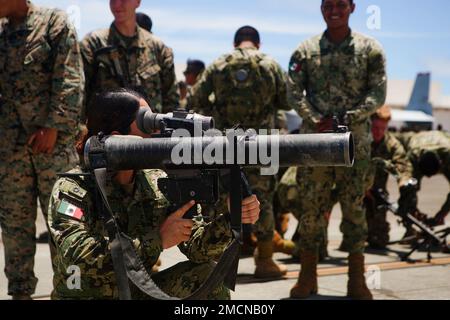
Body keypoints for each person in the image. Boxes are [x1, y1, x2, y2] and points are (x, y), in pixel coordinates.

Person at [48, 89, 260, 300]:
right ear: (118, 138)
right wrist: (157, 240)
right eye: (145, 123)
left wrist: (232, 219)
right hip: (85, 297)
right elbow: (79, 259)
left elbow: (198, 248)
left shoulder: (155, 182)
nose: (156, 131)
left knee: (204, 277)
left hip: (137, 294)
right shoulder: (74, 188)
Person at [287, 0, 387, 299]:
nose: (334, 10)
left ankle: (356, 280)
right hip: (316, 144)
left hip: (354, 145)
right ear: (321, 8)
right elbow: (293, 89)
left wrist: (348, 118)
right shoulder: (305, 50)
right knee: (311, 210)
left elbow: (378, 92)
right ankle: (307, 277)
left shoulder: (370, 49)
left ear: (352, 8)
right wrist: (317, 119)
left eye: (341, 4)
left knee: (354, 210)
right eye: (328, 4)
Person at [190, 26, 293, 279]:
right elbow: (288, 101)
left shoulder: (218, 65)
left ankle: (214, 263)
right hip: (262, 145)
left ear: (235, 42)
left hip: (225, 145)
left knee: (221, 199)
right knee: (263, 200)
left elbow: (196, 100)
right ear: (257, 44)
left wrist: (220, 114)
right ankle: (265, 260)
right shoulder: (270, 65)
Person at [0, 0, 84, 300]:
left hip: (54, 147)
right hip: (10, 153)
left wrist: (54, 126)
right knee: (14, 226)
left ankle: (70, 291)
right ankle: (20, 292)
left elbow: (71, 78)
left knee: (65, 222)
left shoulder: (54, 23)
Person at [80, 0, 178, 117]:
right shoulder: (93, 44)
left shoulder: (158, 49)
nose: (117, 5)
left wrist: (165, 131)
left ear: (137, 2)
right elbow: (80, 94)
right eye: (113, 0)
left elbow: (171, 101)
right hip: (106, 133)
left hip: (151, 132)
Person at [400, 131, 450, 227]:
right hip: (418, 143)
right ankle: (409, 225)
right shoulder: (413, 157)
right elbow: (408, 187)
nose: (430, 178)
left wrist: (442, 214)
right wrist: (414, 212)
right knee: (408, 187)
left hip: (442, 142)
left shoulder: (448, 155)